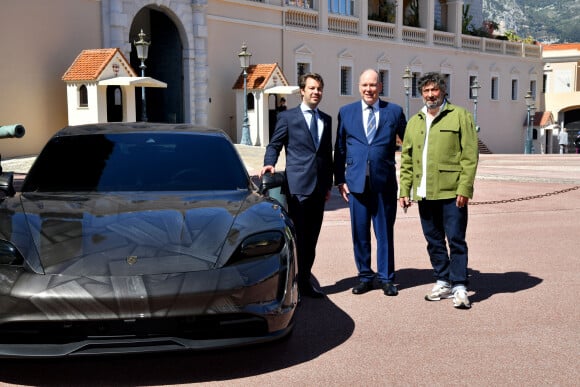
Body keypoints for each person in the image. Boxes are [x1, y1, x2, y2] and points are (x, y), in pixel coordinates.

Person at [398, 72, 479, 309]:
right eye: (426, 91)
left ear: (443, 91)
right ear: (421, 93)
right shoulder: (414, 121)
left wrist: (465, 188)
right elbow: (407, 159)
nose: (430, 95)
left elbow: (470, 155)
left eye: (434, 90)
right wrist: (405, 190)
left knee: (456, 239)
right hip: (424, 192)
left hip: (452, 192)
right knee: (433, 240)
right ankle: (443, 280)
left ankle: (460, 286)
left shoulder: (460, 116)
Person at [334, 69, 406, 297]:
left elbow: (410, 145)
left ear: (380, 87)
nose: (369, 89)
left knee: (384, 233)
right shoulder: (346, 112)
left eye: (373, 85)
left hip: (384, 184)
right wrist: (340, 180)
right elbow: (340, 148)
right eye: (365, 85)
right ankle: (365, 276)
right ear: (358, 86)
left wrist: (409, 181)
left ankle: (386, 278)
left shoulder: (394, 112)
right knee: (360, 233)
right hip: (356, 184)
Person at [261, 73, 333, 298]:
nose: (316, 92)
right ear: (302, 91)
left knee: (312, 240)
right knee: (297, 240)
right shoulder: (288, 118)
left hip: (319, 189)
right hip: (298, 188)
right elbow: (275, 144)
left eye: (319, 88)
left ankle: (305, 282)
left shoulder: (326, 119)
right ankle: (291, 286)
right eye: (311, 88)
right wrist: (269, 164)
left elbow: (325, 156)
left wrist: (328, 185)